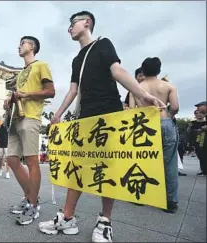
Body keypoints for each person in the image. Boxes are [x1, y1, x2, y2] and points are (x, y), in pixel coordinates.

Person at [38, 11, 165, 242]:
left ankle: (105, 221)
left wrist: (143, 95)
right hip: (85, 118)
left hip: (108, 114)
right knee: (76, 166)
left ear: (87, 23)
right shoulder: (77, 59)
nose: (69, 28)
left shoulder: (103, 44)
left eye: (73, 23)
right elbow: (74, 90)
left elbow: (117, 72)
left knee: (108, 168)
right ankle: (67, 218)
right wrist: (57, 114)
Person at [3, 36, 55, 225]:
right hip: (15, 118)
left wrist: (26, 94)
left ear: (31, 46)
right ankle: (30, 197)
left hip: (31, 117)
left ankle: (33, 204)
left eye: (22, 43)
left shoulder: (41, 65)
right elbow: (18, 94)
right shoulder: (20, 73)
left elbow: (51, 91)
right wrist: (10, 100)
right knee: (12, 160)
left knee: (32, 160)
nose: (19, 46)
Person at [130, 57, 179, 213]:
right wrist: (168, 117)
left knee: (142, 162)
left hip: (143, 125)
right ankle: (171, 202)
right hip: (165, 123)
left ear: (142, 71)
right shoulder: (168, 86)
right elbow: (176, 107)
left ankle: (140, 196)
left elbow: (132, 111)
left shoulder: (135, 88)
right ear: (158, 70)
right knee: (169, 163)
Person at [189, 105, 207, 175]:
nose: (198, 114)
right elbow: (189, 132)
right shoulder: (192, 123)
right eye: (196, 113)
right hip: (197, 141)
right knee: (200, 156)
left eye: (200, 113)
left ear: (204, 113)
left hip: (205, 141)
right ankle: (203, 169)